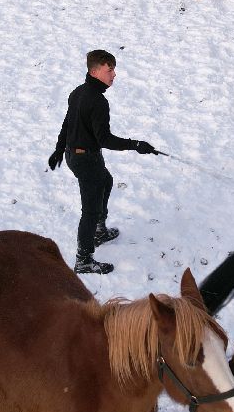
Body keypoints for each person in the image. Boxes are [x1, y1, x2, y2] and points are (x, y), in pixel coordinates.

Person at [47, 49, 158, 275]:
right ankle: (83, 259)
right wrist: (136, 145)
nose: (114, 74)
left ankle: (99, 230)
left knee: (106, 181)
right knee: (90, 209)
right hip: (85, 158)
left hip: (76, 154)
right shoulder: (97, 101)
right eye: (110, 70)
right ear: (95, 71)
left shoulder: (77, 93)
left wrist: (59, 150)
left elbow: (67, 125)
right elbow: (104, 139)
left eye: (114, 69)